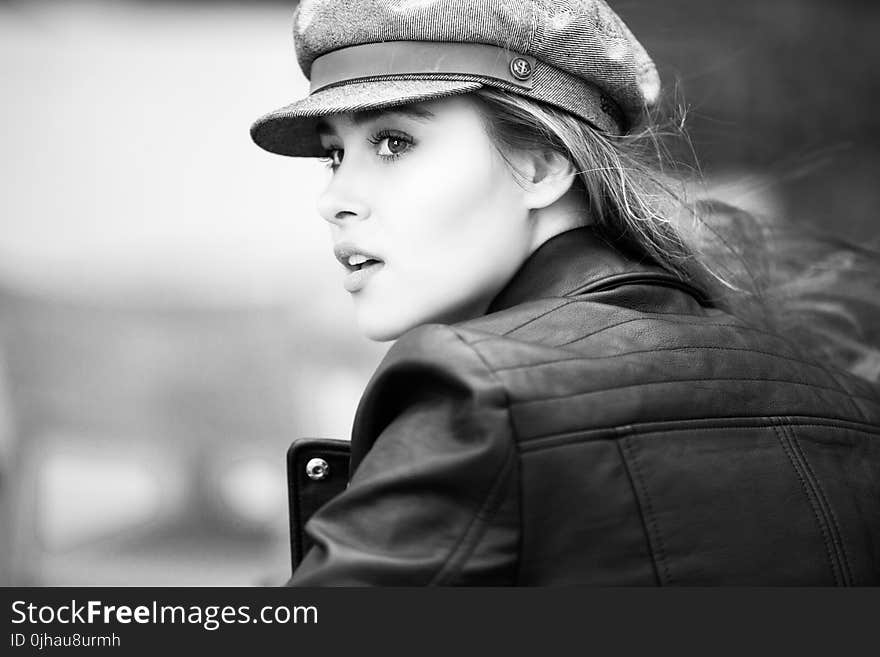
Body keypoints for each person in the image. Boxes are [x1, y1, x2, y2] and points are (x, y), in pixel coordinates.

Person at [251, 0, 880, 585]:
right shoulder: (844, 401)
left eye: (393, 142)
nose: (334, 201)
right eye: (335, 156)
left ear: (543, 165)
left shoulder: (479, 392)